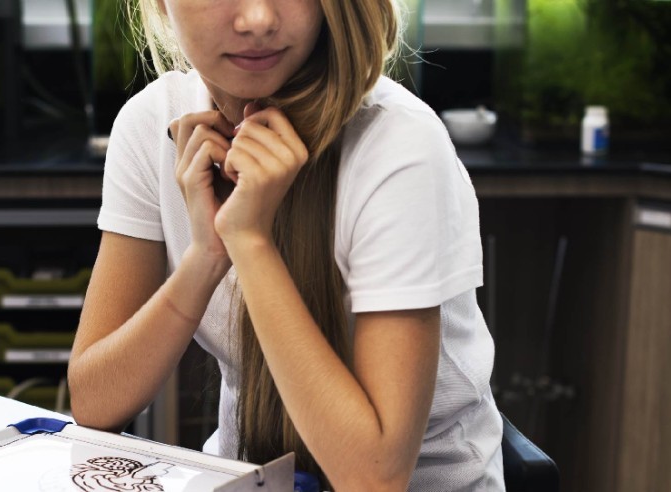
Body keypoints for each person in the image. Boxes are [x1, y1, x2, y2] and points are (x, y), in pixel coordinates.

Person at [67, 0, 503, 489]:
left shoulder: (400, 146)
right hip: (249, 476)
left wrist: (250, 242)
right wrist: (206, 256)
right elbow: (95, 402)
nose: (258, 19)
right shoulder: (152, 124)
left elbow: (374, 479)